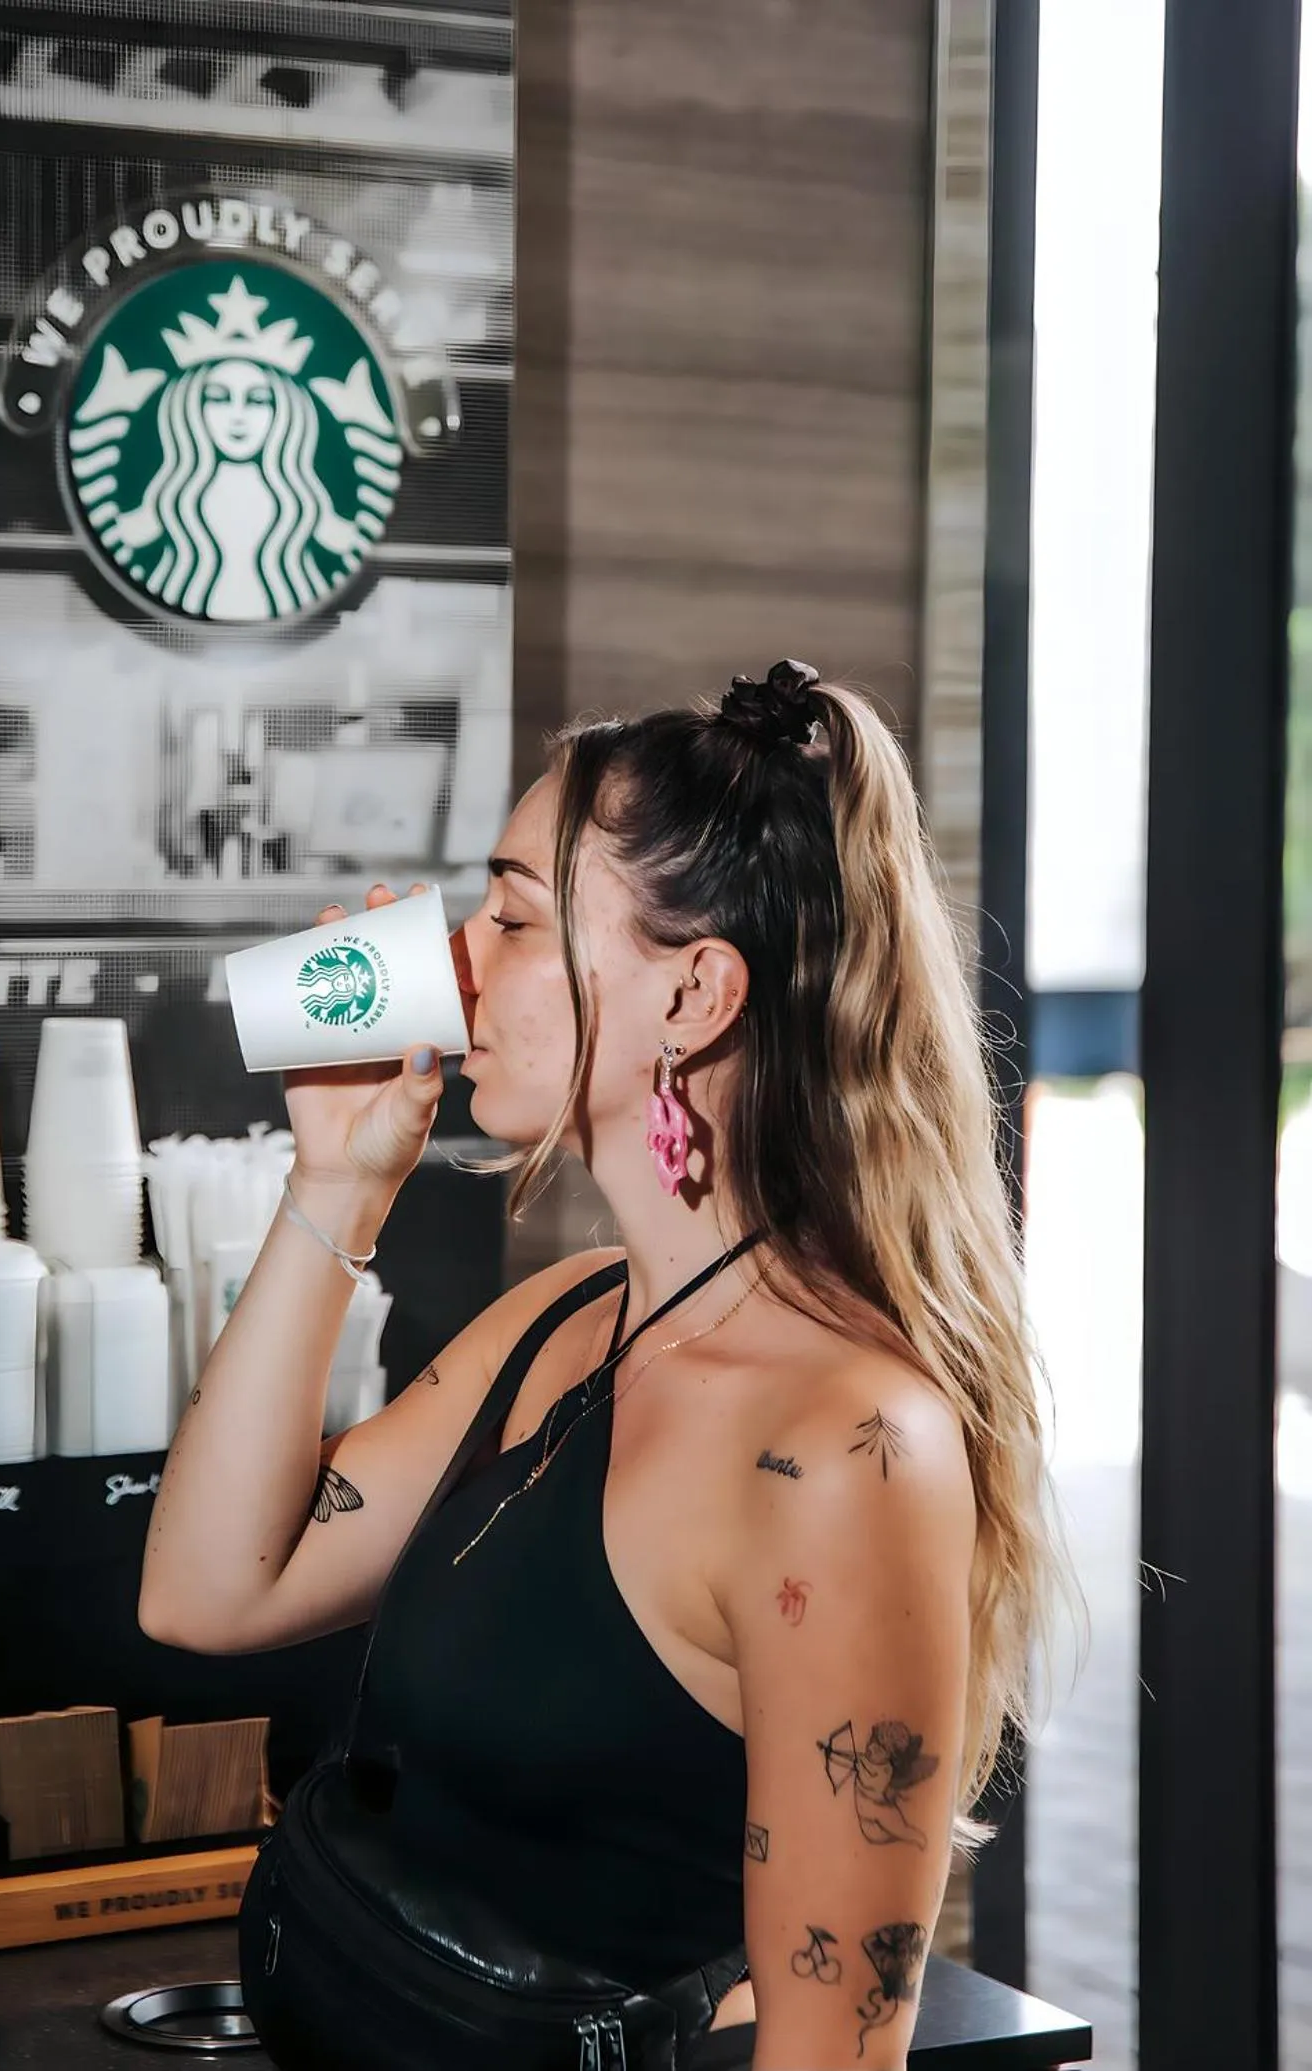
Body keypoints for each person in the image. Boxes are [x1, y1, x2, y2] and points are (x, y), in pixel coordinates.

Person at [140, 661, 1067, 2070]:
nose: (457, 962)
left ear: (694, 992)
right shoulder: (570, 1320)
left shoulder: (844, 1452)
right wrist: (337, 1185)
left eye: (513, 917)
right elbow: (207, 1589)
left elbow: (830, 2052)